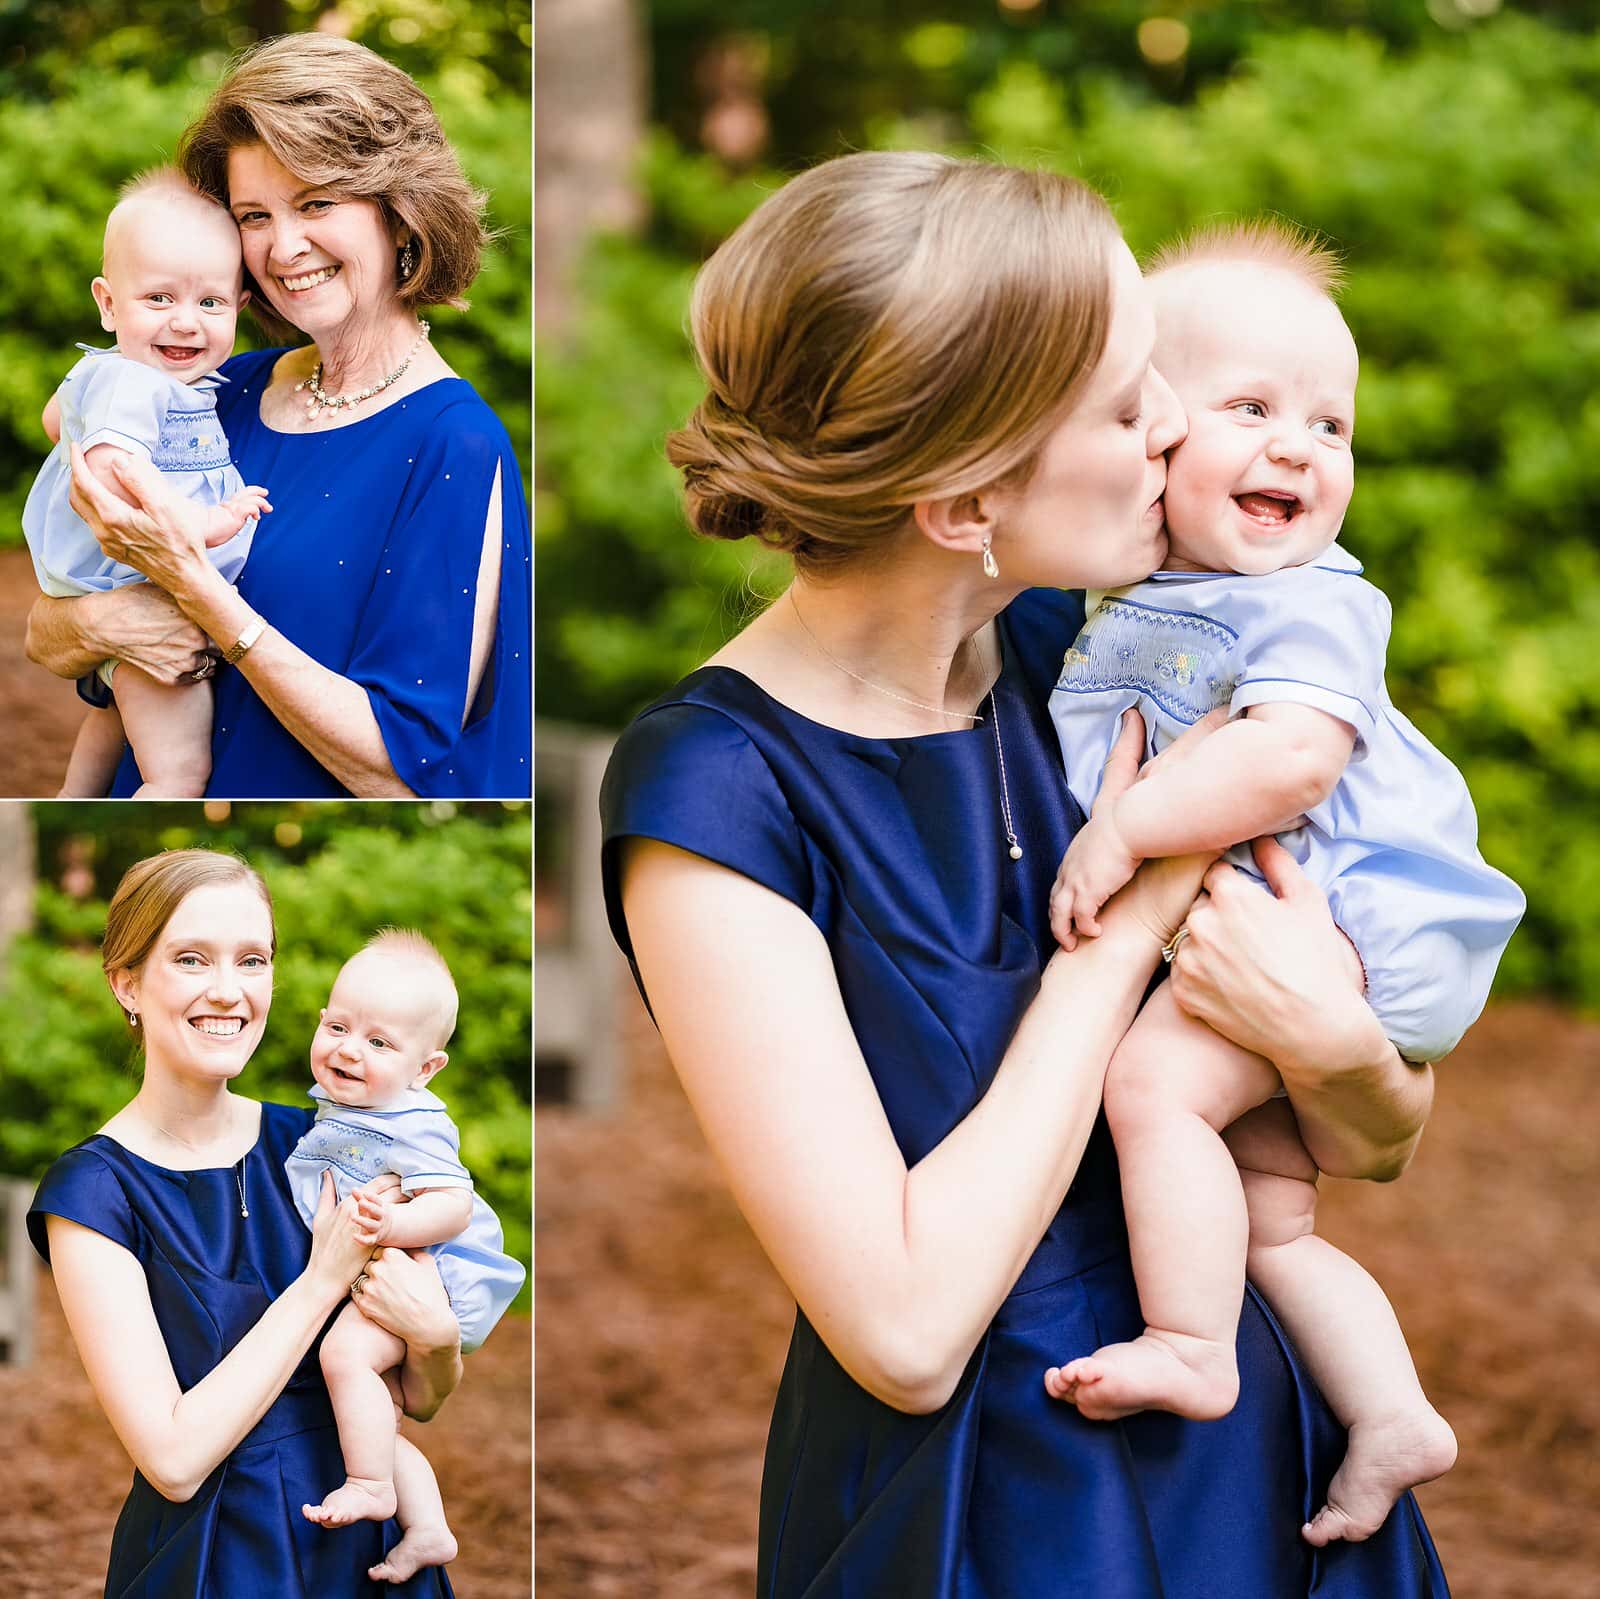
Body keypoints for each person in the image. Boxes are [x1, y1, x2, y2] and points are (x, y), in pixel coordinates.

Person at [600, 151, 1451, 1595]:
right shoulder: (714, 793)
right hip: (992, 1506)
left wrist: (1338, 1042)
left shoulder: (1108, 660)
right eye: (1130, 405)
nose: (1179, 421)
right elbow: (910, 1329)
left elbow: (1374, 1138)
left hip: (1258, 1440)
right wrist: (1118, 948)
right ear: (964, 498)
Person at [1044, 223, 1525, 1545]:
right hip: (1296, 940)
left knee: (1149, 1086)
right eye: (1251, 407)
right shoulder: (1156, 588)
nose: (1301, 446)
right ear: (1151, 433)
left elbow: (1292, 759)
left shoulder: (1303, 601)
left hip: (1340, 922)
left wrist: (1123, 829)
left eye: (1331, 423)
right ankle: (1391, 1410)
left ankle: (1194, 1343)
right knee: (1269, 1215)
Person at [24, 34, 531, 800]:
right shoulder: (207, 388)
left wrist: (205, 600)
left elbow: (405, 772)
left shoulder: (452, 443)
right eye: (254, 215)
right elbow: (44, 631)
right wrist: (103, 626)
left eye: (316, 203)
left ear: (401, 214)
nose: (285, 246)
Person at [27, 849, 463, 1596]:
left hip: (366, 1547)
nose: (229, 991)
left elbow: (420, 1397)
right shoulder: (94, 1192)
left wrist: (439, 1338)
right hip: (218, 1558)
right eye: (192, 958)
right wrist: (322, 1281)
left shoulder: (326, 1144)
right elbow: (172, 1458)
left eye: (252, 959)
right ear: (126, 982)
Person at [287, 930, 524, 1582]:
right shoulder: (347, 1108)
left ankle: (370, 1484)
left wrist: (394, 1222)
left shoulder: (411, 1122)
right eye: (337, 1025)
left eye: (379, 1042)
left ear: (425, 1068)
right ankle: (427, 1526)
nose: (347, 1048)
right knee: (378, 1414)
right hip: (397, 1275)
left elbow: (452, 1203)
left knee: (344, 1355)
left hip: (428, 1273)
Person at [23, 169, 268, 799]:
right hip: (141, 590)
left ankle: (76, 799)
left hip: (119, 590)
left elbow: (56, 420)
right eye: (159, 299)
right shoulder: (137, 385)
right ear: (108, 303)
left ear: (239, 305)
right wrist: (219, 519)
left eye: (210, 302)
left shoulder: (109, 374)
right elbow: (122, 496)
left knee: (108, 726)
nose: (186, 322)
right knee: (179, 773)